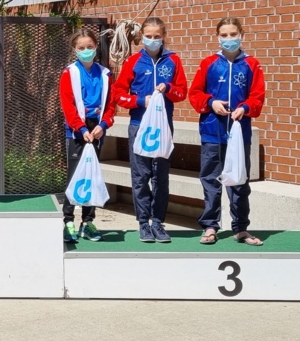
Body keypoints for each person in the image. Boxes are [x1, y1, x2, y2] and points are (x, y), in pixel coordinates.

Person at [189, 17, 265, 246]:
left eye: (233, 34)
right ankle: (210, 226)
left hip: (239, 134)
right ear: (217, 37)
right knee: (211, 181)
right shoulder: (208, 63)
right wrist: (210, 102)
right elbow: (195, 94)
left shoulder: (252, 64)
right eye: (224, 35)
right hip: (212, 131)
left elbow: (258, 97)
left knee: (239, 182)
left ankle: (241, 228)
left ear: (242, 34)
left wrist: (245, 108)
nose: (229, 39)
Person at [112, 17, 187, 243]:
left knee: (160, 176)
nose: (152, 40)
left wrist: (169, 88)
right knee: (141, 176)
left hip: (163, 127)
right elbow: (118, 94)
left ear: (164, 36)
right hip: (139, 125)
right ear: (142, 36)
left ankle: (158, 222)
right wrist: (139, 101)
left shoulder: (173, 60)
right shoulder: (133, 61)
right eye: (148, 36)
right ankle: (143, 223)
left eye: (157, 36)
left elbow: (182, 92)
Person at [59, 28, 116, 242]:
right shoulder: (69, 73)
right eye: (81, 48)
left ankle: (87, 222)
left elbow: (111, 105)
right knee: (75, 175)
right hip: (77, 129)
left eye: (89, 47)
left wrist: (103, 124)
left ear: (96, 48)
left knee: (91, 175)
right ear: (75, 50)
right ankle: (68, 221)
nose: (86, 51)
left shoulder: (106, 74)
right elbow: (68, 106)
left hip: (97, 128)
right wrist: (81, 129)